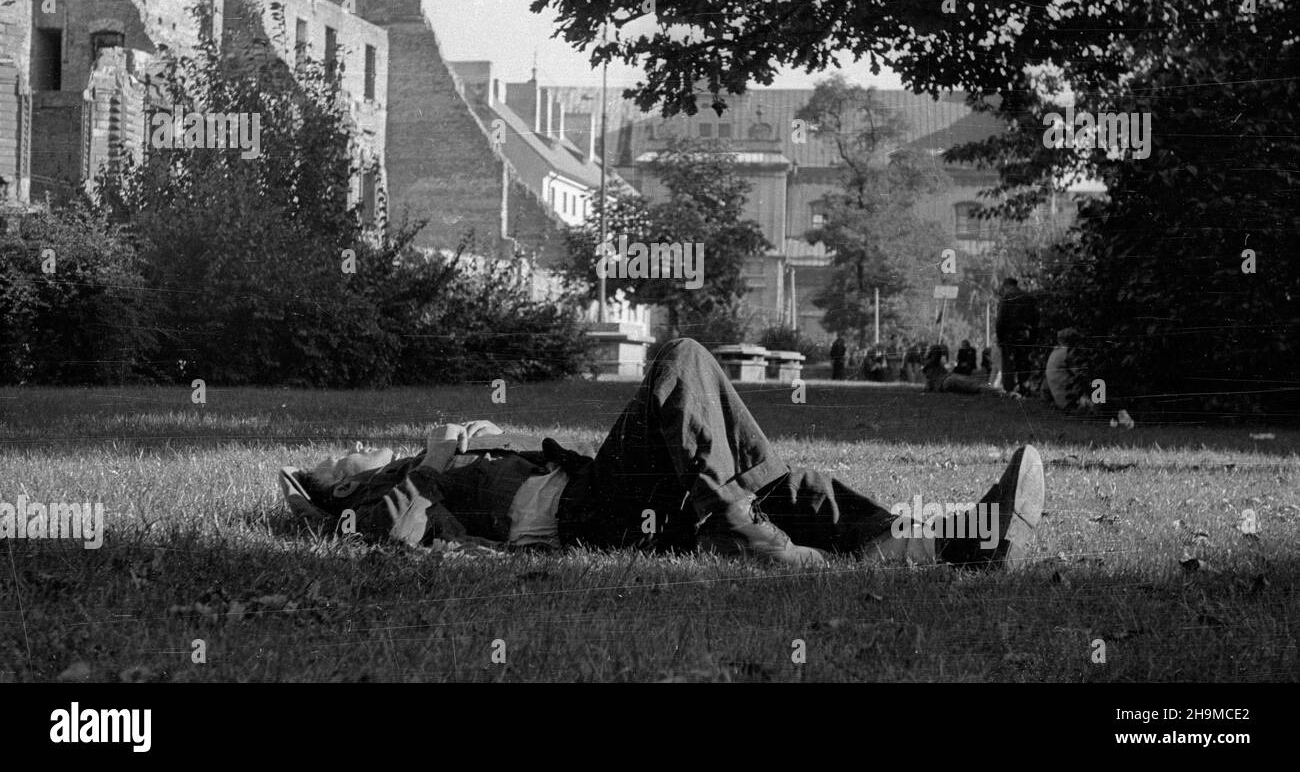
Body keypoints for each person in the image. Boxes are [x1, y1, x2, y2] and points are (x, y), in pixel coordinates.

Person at [281, 339, 1045, 570]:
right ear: (343, 488)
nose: (361, 448)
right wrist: (428, 469)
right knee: (680, 359)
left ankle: (960, 538)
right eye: (350, 457)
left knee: (788, 484)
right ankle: (732, 518)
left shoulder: (428, 466)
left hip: (621, 506)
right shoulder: (387, 496)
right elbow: (403, 535)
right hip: (589, 516)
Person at [996, 278, 1039, 395]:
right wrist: (1034, 336)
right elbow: (1036, 318)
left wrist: (1000, 338)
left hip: (1009, 335)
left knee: (1009, 363)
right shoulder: (1029, 297)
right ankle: (1024, 386)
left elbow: (1000, 320)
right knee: (1024, 361)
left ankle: (1010, 389)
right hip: (1026, 334)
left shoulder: (1006, 298)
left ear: (1005, 285)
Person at [1045, 328, 1081, 410]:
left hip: (1058, 394)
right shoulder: (1067, 352)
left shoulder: (1056, 351)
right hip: (1067, 397)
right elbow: (1078, 372)